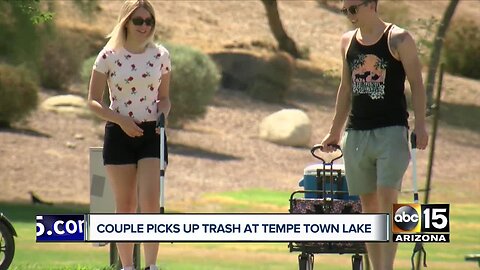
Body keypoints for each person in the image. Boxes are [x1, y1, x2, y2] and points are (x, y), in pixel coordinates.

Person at [320, 0, 428, 269]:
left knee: (387, 200)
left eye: (353, 9)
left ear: (371, 5)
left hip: (391, 132)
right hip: (357, 135)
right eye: (345, 11)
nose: (349, 16)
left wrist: (421, 125)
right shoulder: (347, 41)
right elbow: (346, 89)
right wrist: (335, 131)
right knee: (368, 208)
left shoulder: (399, 39)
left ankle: (385, 268)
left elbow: (416, 84)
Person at [87, 1, 171, 269]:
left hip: (151, 133)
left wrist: (163, 112)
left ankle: (152, 265)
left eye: (149, 21)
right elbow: (93, 101)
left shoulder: (161, 55)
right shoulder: (108, 56)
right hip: (119, 132)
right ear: (126, 22)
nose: (145, 26)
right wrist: (121, 121)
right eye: (139, 21)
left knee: (150, 204)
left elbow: (165, 98)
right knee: (124, 206)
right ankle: (127, 266)